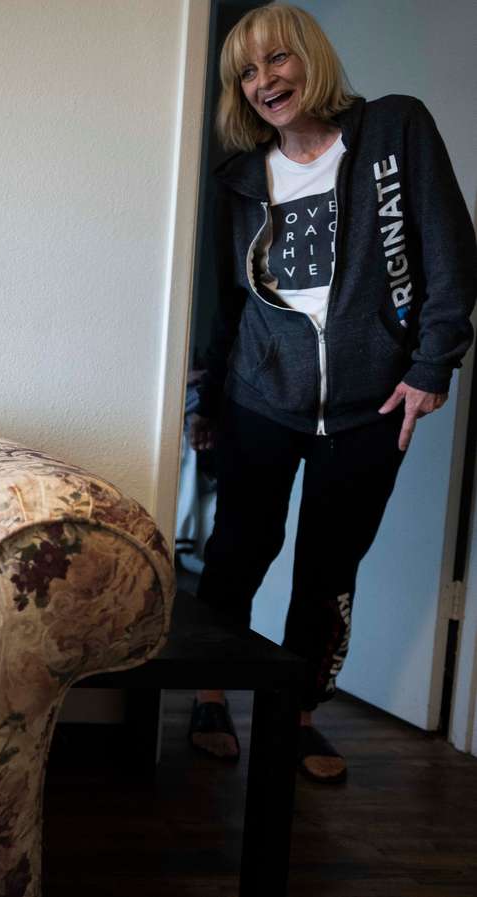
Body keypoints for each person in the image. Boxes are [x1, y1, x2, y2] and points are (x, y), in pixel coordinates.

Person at [189, 4, 477, 784]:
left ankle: (302, 715)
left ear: (310, 58)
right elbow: (228, 301)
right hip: (259, 394)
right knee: (239, 549)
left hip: (370, 404)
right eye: (245, 73)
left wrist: (431, 365)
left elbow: (451, 251)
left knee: (329, 570)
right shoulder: (239, 177)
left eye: (276, 61)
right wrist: (204, 401)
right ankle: (209, 693)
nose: (262, 82)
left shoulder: (393, 132)